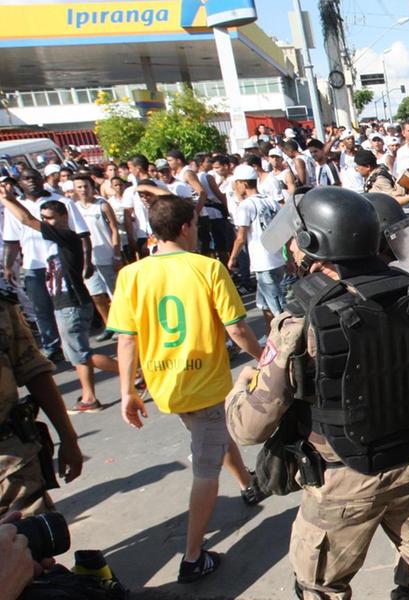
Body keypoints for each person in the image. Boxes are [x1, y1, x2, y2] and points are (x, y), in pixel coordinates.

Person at [226, 187, 409, 600]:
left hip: (340, 482)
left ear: (312, 244)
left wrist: (241, 386)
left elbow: (249, 427)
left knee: (320, 587)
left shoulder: (299, 321)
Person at [107, 193, 263, 583]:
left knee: (210, 433)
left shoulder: (131, 274)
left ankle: (247, 484)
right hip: (204, 383)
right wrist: (265, 357)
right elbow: (237, 328)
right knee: (206, 464)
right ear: (186, 227)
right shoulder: (206, 268)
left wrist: (128, 391)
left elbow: (126, 340)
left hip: (166, 385)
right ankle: (193, 557)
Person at [0, 193, 126, 414]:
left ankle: (133, 373)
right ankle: (89, 398)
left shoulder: (67, 236)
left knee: (80, 354)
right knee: (76, 354)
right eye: (44, 219)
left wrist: (6, 200)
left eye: (50, 218)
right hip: (64, 303)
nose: (46, 223)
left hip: (72, 303)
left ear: (64, 216)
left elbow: (27, 220)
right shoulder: (53, 243)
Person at [0, 278, 82, 515]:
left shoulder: (3, 305)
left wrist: (68, 438)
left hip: (10, 467)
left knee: (29, 545)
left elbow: (34, 371)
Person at [5, 168, 93, 361]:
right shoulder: (16, 207)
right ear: (20, 183)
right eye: (26, 179)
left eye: (35, 178)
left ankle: (75, 348)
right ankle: (53, 346)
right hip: (33, 265)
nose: (31, 182)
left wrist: (87, 262)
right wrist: (8, 266)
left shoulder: (62, 204)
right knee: (41, 309)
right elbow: (12, 240)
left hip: (62, 269)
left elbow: (83, 234)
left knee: (69, 320)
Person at [226, 165, 286, 331]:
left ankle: (287, 346)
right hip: (276, 259)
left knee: (278, 310)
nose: (234, 187)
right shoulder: (270, 201)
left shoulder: (246, 206)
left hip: (263, 262)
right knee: (265, 306)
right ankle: (270, 341)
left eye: (236, 183)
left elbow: (240, 237)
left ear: (243, 184)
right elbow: (282, 229)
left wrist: (232, 259)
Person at [68, 173, 120, 333]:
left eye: (86, 186)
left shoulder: (102, 205)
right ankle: (110, 326)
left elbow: (114, 229)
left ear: (92, 187)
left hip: (107, 256)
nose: (83, 190)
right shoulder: (73, 208)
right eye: (80, 187)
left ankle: (124, 324)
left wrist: (117, 254)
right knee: (96, 295)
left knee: (116, 294)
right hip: (88, 260)